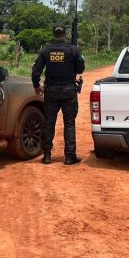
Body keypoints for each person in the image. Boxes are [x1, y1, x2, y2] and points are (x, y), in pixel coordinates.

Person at [31, 23, 85, 165]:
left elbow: (36, 71)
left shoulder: (46, 50)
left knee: (49, 122)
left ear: (53, 34)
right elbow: (81, 68)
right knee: (69, 124)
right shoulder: (73, 50)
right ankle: (69, 156)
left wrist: (36, 86)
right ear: (65, 34)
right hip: (68, 90)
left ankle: (47, 156)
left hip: (51, 91)